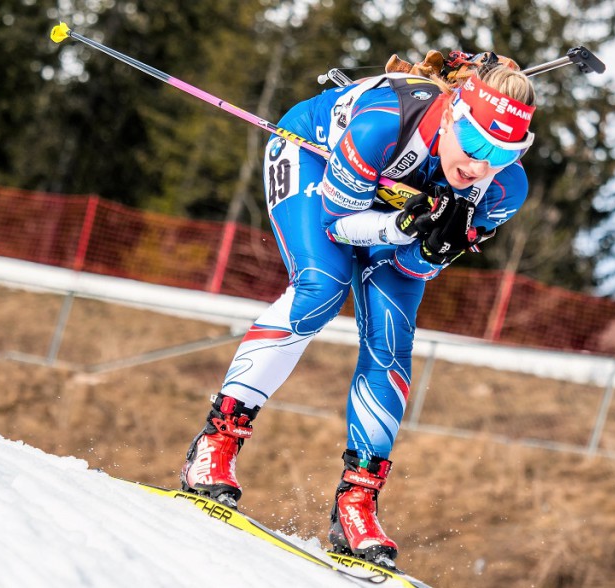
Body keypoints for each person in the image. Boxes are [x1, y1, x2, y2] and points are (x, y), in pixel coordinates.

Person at [179, 50, 537, 569]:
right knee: (321, 289)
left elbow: (415, 270)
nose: (480, 165)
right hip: (318, 163)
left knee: (392, 338)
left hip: (391, 204)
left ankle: (357, 502)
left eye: (503, 153)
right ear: (456, 112)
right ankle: (216, 445)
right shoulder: (382, 126)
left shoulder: (504, 187)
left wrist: (433, 247)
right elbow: (337, 226)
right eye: (477, 143)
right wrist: (404, 226)